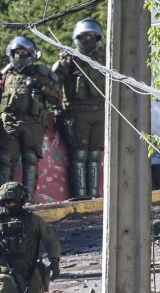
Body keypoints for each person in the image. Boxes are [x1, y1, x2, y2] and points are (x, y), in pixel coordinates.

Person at [0, 36, 60, 202]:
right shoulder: (6, 76)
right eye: (17, 52)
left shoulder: (41, 74)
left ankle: (27, 200)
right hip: (10, 123)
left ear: (31, 54)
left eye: (23, 52)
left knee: (30, 160)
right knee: (6, 161)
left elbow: (57, 98)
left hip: (33, 124)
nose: (20, 55)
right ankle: (6, 199)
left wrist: (43, 88)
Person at [52, 18, 105, 199]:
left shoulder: (105, 59)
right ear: (77, 38)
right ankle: (81, 195)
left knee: (96, 154)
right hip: (77, 113)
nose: (87, 39)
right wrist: (58, 107)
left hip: (100, 112)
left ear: (97, 37)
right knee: (80, 154)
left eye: (91, 36)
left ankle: (95, 195)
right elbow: (54, 82)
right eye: (84, 36)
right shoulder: (69, 61)